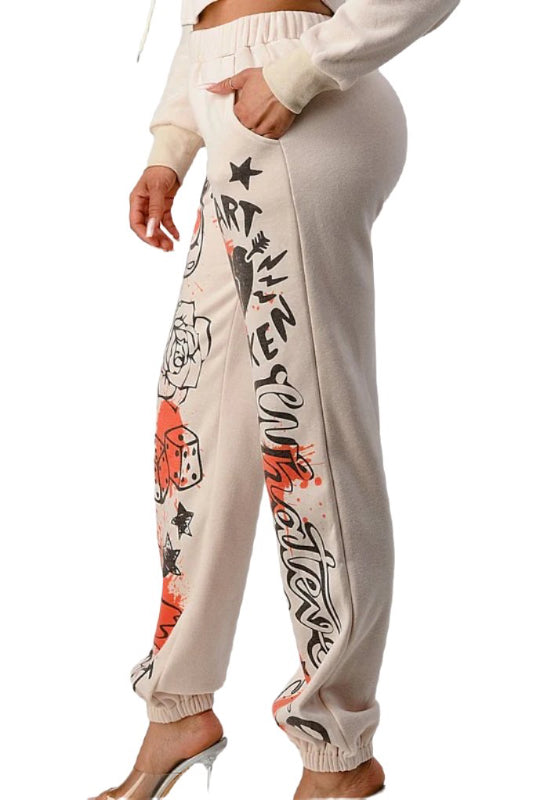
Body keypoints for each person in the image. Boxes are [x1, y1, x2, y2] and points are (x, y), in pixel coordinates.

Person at [91, 0, 461, 797]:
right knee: (194, 420)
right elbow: (203, 17)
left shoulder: (295, 77)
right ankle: (177, 707)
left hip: (299, 111)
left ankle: (337, 752)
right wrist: (171, 148)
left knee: (309, 435)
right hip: (237, 111)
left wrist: (296, 72)